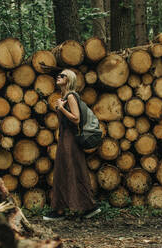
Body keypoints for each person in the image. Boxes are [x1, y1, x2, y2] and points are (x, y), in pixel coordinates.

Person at [43, 69, 101, 221]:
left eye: (62, 75)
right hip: (66, 138)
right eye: (59, 74)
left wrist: (61, 108)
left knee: (68, 169)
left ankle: (64, 209)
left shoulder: (70, 96)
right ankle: (83, 208)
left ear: (69, 80)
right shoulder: (65, 96)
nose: (58, 76)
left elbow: (76, 118)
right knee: (68, 169)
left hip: (70, 139)